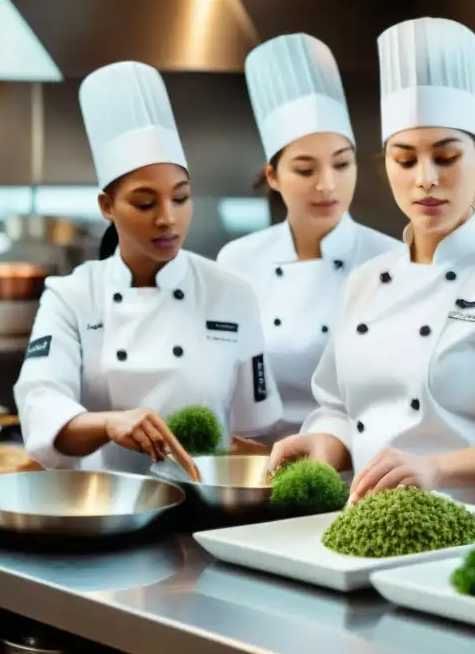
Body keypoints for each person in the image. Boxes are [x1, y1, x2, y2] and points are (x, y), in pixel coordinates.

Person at [266, 17, 475, 512]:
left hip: (471, 531)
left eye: (446, 157)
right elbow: (341, 409)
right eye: (405, 160)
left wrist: (434, 468)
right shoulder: (365, 281)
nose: (425, 179)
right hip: (365, 524)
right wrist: (324, 446)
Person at [14, 61, 284, 474]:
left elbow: (254, 429)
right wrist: (109, 422)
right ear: (107, 206)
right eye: (145, 203)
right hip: (101, 508)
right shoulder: (71, 296)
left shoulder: (231, 292)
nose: (167, 219)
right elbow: (41, 405)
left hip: (203, 508)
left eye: (180, 198)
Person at [217, 33, 399, 438]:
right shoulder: (236, 261)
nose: (327, 185)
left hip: (357, 467)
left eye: (341, 164)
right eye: (305, 169)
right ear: (273, 176)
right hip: (253, 464)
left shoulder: (393, 261)